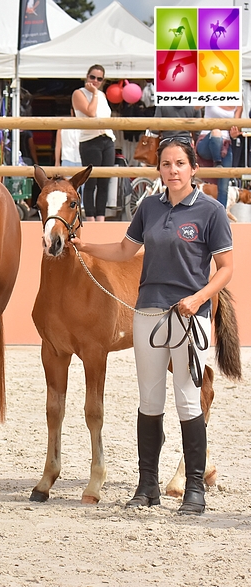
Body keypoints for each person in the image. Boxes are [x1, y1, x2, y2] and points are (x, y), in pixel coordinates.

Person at [72, 137, 233, 516]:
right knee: (149, 400)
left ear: (193, 168)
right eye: (166, 165)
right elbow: (127, 251)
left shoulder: (211, 211)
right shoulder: (150, 207)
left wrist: (197, 299)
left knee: (188, 399)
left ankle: (195, 487)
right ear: (158, 169)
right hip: (148, 313)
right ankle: (147, 486)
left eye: (179, 164)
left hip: (190, 316)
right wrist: (87, 247)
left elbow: (226, 269)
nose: (173, 171)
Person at [72, 64, 115, 222]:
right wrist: (95, 93)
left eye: (99, 79)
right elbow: (90, 113)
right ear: (87, 77)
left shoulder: (102, 95)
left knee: (105, 181)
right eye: (92, 77)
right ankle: (90, 217)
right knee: (91, 182)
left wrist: (98, 93)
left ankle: (101, 218)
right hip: (90, 140)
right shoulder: (79, 93)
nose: (95, 81)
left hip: (107, 138)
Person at [195, 105, 241, 207]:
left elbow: (236, 127)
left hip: (226, 144)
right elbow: (195, 107)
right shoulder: (212, 91)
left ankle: (221, 217)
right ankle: (217, 163)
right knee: (216, 132)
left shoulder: (238, 102)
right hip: (207, 141)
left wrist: (234, 133)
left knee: (224, 187)